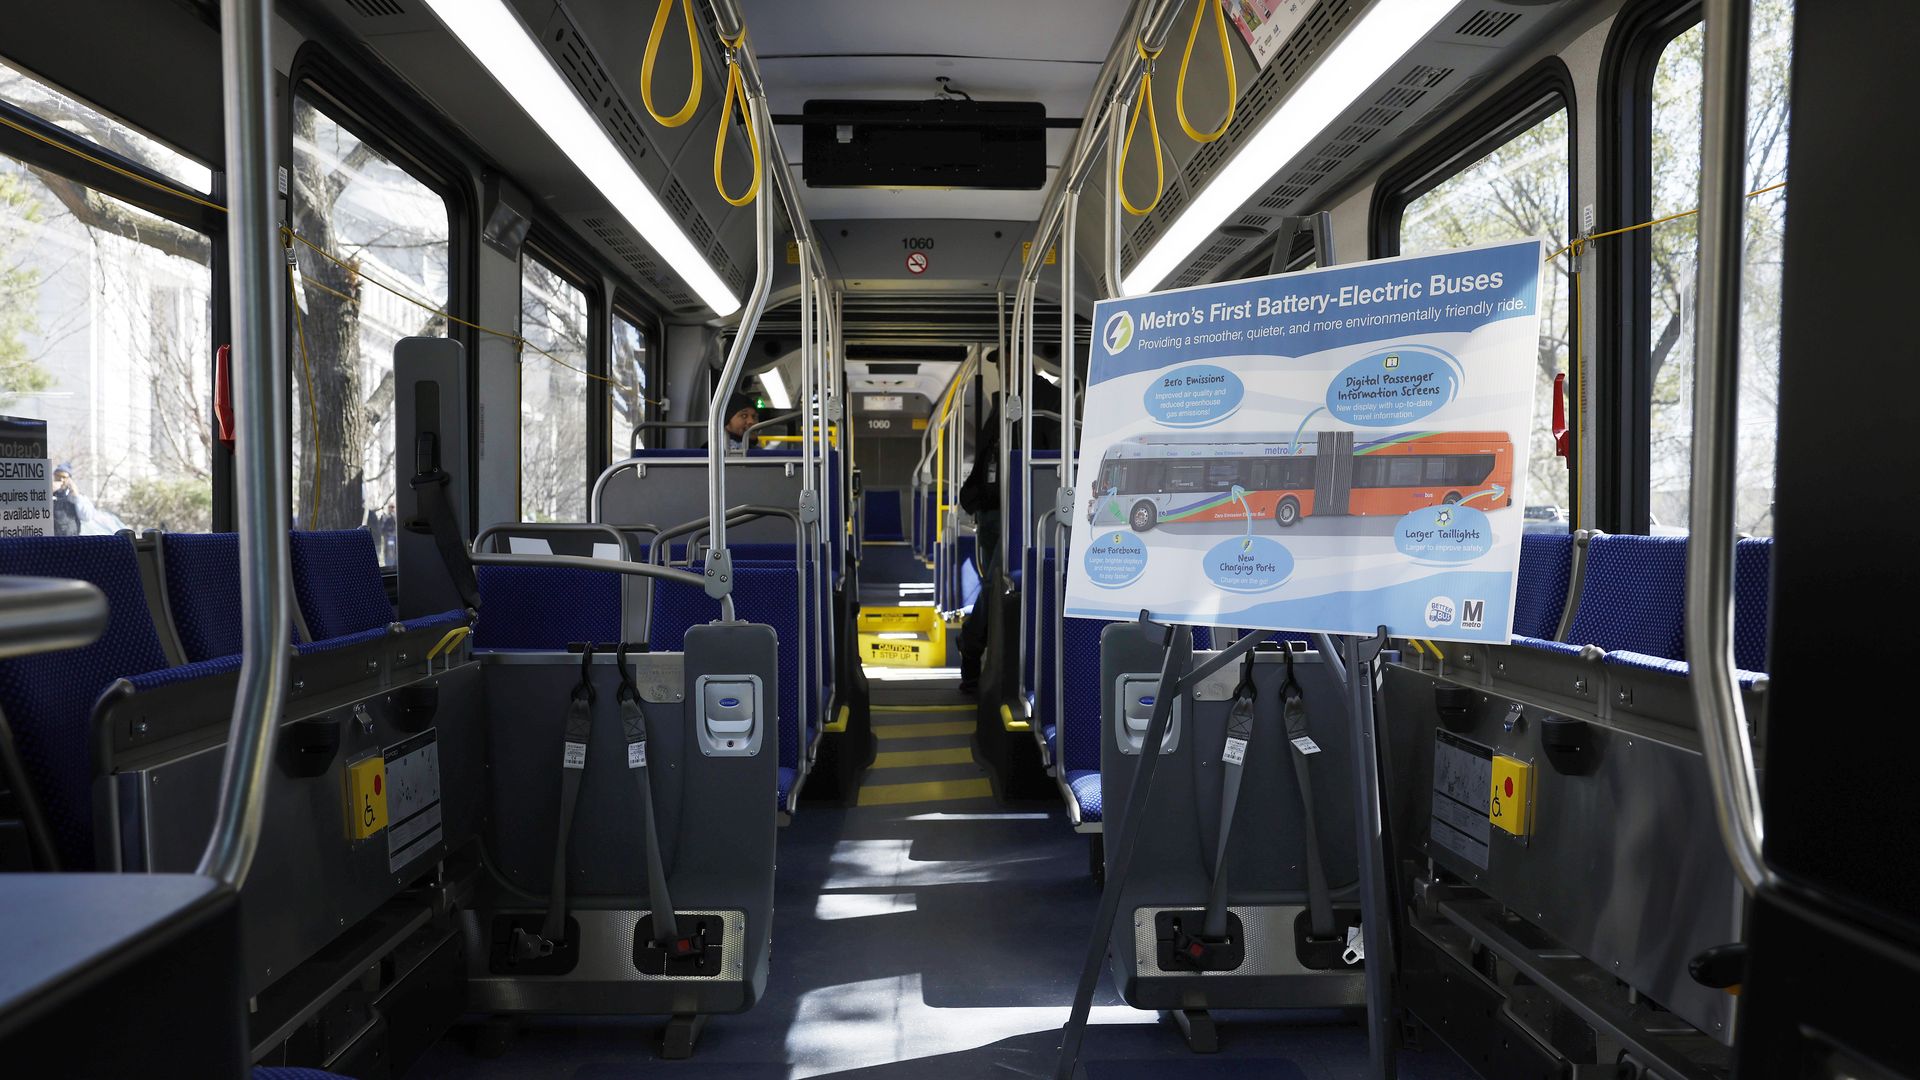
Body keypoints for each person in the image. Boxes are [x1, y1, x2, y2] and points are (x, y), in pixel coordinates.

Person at [955, 373, 1064, 696]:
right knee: (999, 585)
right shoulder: (1034, 402)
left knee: (997, 585)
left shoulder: (1021, 403)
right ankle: (984, 653)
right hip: (1022, 503)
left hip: (1015, 505)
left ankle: (973, 645)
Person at [51, 462, 96, 536]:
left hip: (72, 540)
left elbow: (87, 517)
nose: (61, 479)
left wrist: (76, 496)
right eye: (57, 476)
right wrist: (48, 492)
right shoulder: (49, 493)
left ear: (69, 479)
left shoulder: (78, 496)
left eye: (64, 477)